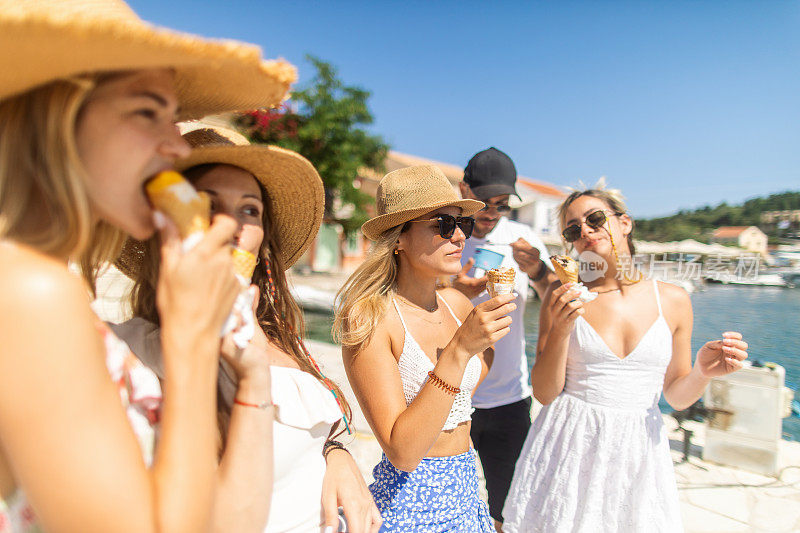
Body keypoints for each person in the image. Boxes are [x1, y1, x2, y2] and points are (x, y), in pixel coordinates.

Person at [0, 1, 295, 531]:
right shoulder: (30, 291)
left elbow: (224, 522)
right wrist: (191, 344)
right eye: (146, 111)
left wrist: (252, 381)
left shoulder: (39, 283)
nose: (177, 144)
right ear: (56, 118)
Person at [112, 125, 382, 533]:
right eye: (205, 204)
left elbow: (305, 433)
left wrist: (335, 452)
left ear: (262, 241)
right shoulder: (129, 353)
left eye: (249, 209)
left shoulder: (278, 336)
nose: (231, 225)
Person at [502, 182, 749, 532]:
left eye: (595, 218)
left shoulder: (674, 300)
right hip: (569, 442)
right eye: (573, 229)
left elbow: (676, 396)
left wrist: (703, 372)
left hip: (638, 448)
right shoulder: (562, 296)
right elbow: (544, 393)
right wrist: (559, 329)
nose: (585, 231)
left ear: (625, 223)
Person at [334, 165, 516, 532]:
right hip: (410, 504)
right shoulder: (370, 318)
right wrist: (459, 351)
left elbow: (469, 384)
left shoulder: (457, 304)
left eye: (461, 225)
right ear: (398, 238)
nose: (460, 237)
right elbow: (401, 452)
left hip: (466, 492)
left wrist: (480, 340)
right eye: (443, 226)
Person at [453, 147, 557, 529]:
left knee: (509, 508)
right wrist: (457, 291)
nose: (492, 213)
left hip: (509, 397)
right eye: (484, 202)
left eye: (501, 205)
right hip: (449, 392)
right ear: (464, 189)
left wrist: (539, 272)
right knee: (447, 501)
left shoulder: (523, 239)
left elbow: (555, 300)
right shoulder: (446, 234)